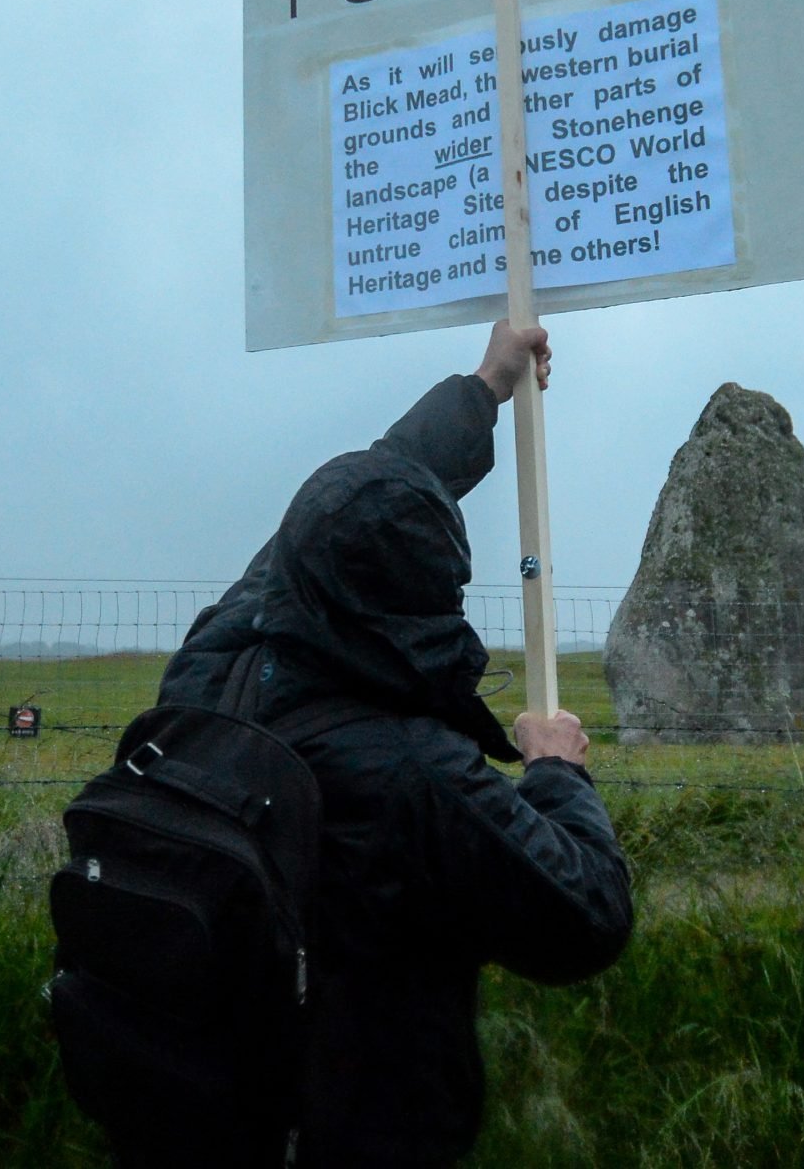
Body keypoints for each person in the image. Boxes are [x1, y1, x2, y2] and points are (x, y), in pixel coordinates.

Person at [145, 320, 632, 1167]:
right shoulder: (415, 777)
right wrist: (555, 771)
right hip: (360, 1129)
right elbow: (585, 916)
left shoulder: (214, 665)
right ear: (430, 598)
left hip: (198, 1112)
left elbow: (366, 488)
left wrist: (486, 385)